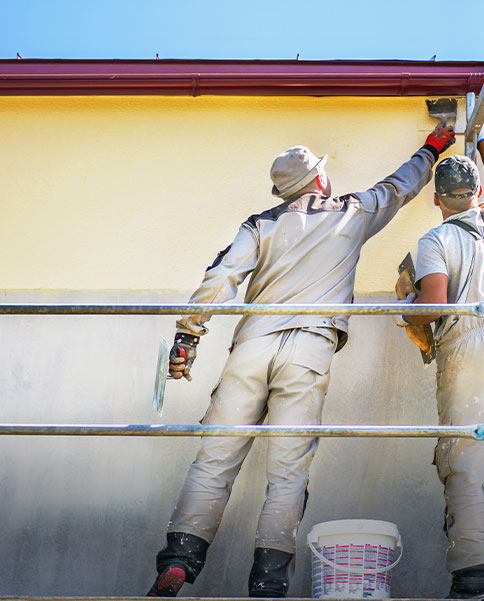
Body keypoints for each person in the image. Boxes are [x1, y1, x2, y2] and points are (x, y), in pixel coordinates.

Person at [148, 125, 455, 598]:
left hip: (251, 347)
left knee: (213, 462)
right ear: (319, 179)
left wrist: (187, 336)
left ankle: (178, 562)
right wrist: (433, 147)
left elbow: (220, 278)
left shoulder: (258, 224)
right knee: (287, 473)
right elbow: (400, 186)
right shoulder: (352, 212)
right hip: (309, 349)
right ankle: (268, 584)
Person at [394, 155, 484, 598]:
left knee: (466, 456)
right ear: (479, 193)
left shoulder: (439, 238)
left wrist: (404, 302)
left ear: (436, 199)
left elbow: (434, 306)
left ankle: (472, 580)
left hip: (468, 348)